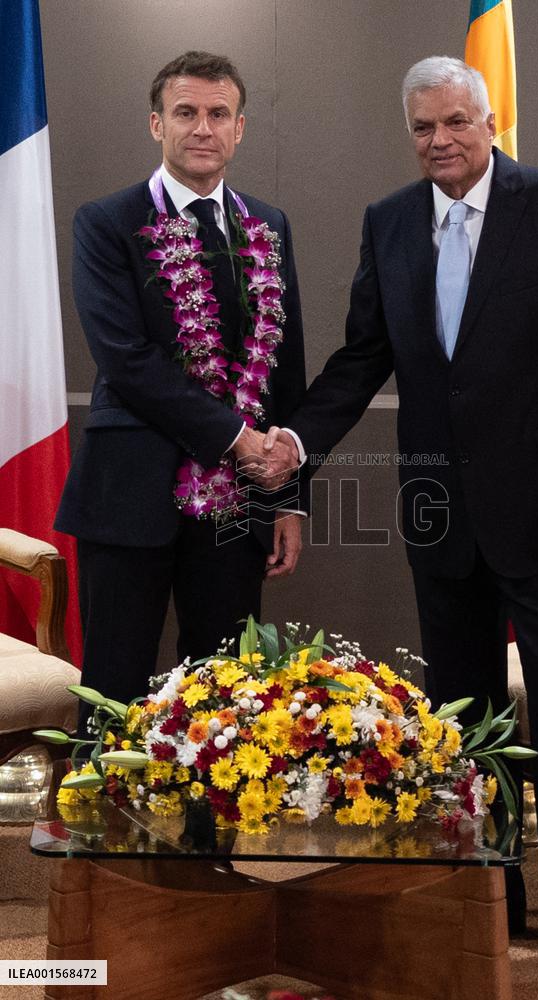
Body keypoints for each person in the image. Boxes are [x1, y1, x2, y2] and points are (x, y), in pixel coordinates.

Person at [266, 57, 538, 989]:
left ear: (490, 119)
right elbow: (360, 358)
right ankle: (486, 897)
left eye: (456, 123)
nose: (440, 141)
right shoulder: (390, 221)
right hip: (441, 517)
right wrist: (293, 444)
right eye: (423, 128)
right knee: (461, 723)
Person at [56, 51, 306, 728]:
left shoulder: (269, 225)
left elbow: (284, 366)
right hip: (129, 490)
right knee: (114, 683)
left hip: (237, 503)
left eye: (218, 114)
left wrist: (285, 498)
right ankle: (103, 833)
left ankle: (211, 833)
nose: (203, 127)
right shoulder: (106, 222)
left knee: (226, 690)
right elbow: (127, 360)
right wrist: (237, 439)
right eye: (186, 112)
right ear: (156, 124)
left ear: (240, 128)